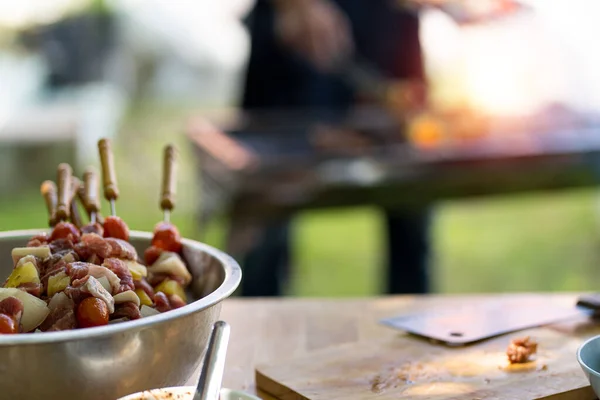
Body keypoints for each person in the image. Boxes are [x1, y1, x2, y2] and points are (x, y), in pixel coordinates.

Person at [235, 0, 432, 296]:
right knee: (266, 222)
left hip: (390, 35)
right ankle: (252, 335)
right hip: (294, 54)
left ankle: (416, 331)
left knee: (412, 211)